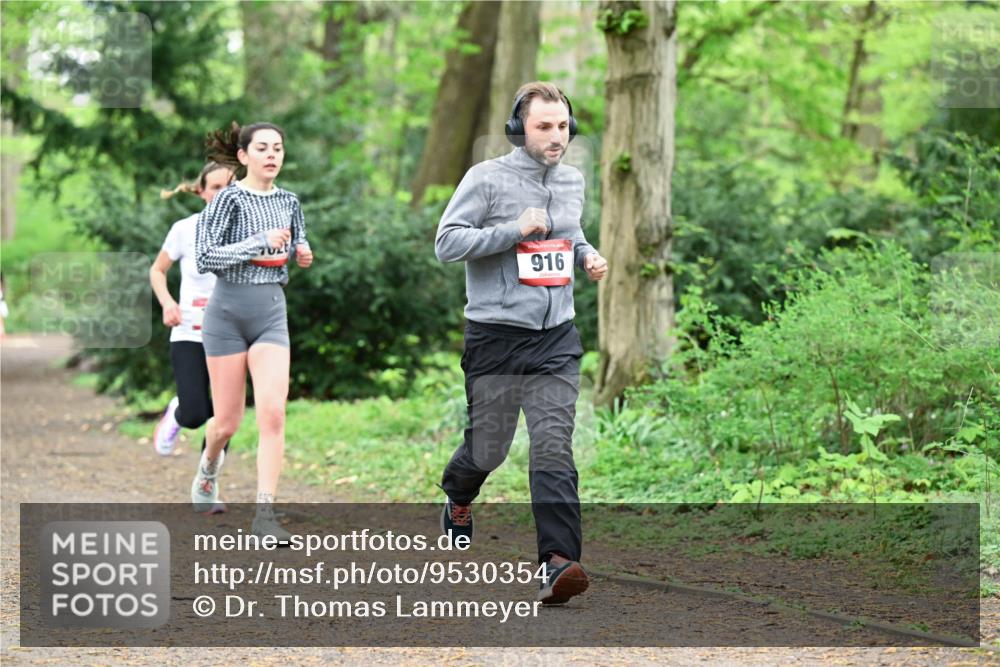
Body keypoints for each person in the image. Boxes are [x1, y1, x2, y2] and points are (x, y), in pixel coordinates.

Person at [434, 81, 608, 606]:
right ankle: (458, 496)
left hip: (557, 337)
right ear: (518, 129)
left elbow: (570, 233)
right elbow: (447, 242)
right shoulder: (485, 179)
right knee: (490, 448)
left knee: (553, 444)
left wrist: (586, 255)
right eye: (544, 127)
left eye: (563, 127)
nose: (557, 137)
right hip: (495, 338)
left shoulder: (573, 180)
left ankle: (558, 563)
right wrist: (513, 229)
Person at [192, 121, 313, 541]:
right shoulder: (227, 200)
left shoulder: (290, 200)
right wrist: (257, 242)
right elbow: (205, 256)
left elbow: (297, 239)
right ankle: (209, 467)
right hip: (226, 316)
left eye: (278, 148)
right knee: (225, 424)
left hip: (270, 314)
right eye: (262, 148)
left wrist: (302, 250)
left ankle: (265, 514)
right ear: (243, 156)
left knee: (273, 413)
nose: (272, 155)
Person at [150, 163, 235, 503]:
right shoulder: (184, 229)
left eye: (229, 187)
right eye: (215, 187)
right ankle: (178, 412)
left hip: (231, 336)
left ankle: (207, 485)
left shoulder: (248, 231)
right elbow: (158, 270)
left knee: (225, 417)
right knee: (198, 412)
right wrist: (168, 303)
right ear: (201, 192)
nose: (222, 194)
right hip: (189, 332)